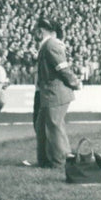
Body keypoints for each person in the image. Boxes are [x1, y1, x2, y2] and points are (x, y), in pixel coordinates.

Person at [32, 16, 82, 169]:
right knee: (42, 127)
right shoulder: (47, 45)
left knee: (54, 127)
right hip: (49, 93)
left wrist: (75, 83)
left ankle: (61, 162)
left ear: (40, 31)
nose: (33, 33)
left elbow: (62, 68)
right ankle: (45, 161)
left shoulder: (51, 44)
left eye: (35, 30)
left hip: (55, 93)